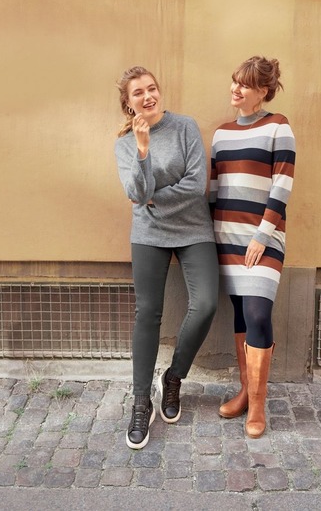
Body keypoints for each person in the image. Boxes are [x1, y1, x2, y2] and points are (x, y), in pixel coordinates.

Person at [114, 66, 219, 450]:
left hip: (193, 229)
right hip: (149, 235)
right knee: (148, 313)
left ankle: (173, 378)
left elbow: (195, 184)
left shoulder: (185, 127)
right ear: (128, 103)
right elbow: (135, 192)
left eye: (152, 88)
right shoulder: (125, 144)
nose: (148, 96)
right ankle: (141, 401)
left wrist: (153, 199)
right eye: (138, 92)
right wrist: (143, 150)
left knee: (205, 304)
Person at [209, 56, 295, 438]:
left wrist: (262, 235)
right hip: (226, 237)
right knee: (242, 314)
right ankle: (246, 391)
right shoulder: (221, 133)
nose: (235, 89)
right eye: (234, 81)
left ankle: (258, 405)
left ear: (262, 91)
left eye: (244, 84)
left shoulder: (279, 127)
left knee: (258, 314)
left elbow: (283, 184)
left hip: (264, 237)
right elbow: (214, 189)